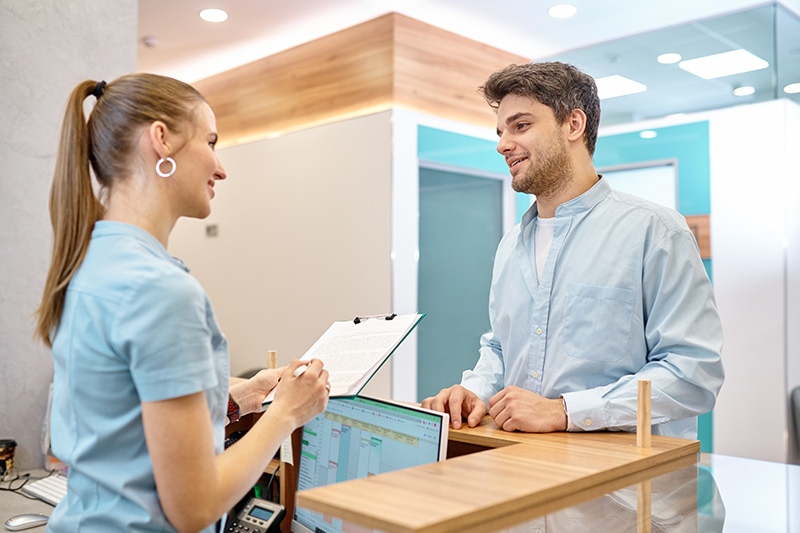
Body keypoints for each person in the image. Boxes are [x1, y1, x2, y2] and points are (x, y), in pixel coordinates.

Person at [34, 73, 330, 532]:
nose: (221, 166)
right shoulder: (160, 290)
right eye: (211, 141)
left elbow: (124, 423)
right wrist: (285, 413)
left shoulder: (89, 259)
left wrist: (239, 401)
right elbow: (194, 507)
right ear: (161, 140)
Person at [422, 62, 724, 439]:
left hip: (626, 489)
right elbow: (500, 348)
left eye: (521, 125)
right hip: (525, 470)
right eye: (500, 132)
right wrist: (475, 391)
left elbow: (693, 374)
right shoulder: (510, 246)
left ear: (574, 125)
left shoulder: (656, 232)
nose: (502, 145)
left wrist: (565, 411)